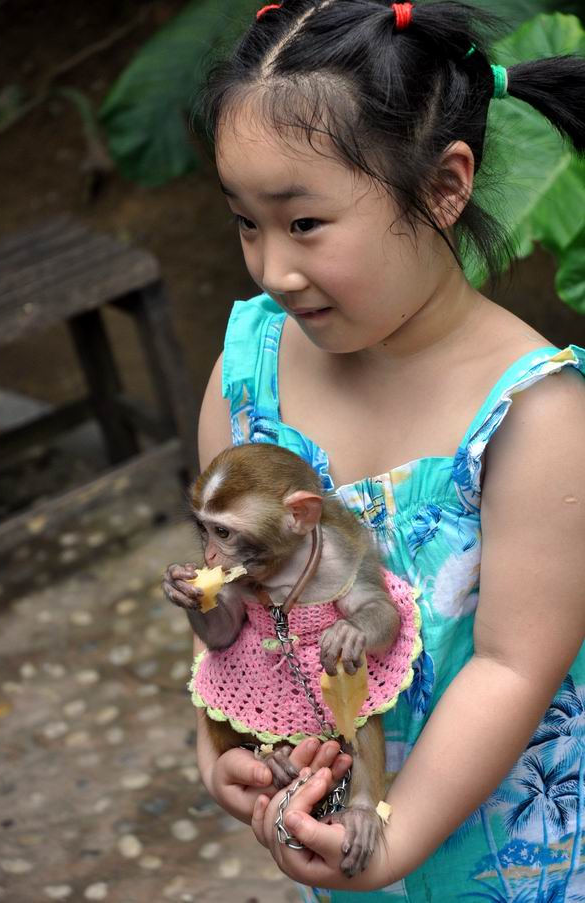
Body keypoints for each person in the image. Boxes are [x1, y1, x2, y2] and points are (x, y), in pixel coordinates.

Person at [188, 1, 585, 899]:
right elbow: (237, 602)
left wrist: (391, 838)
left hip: (515, 862)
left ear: (443, 187)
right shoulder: (249, 374)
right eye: (246, 222)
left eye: (304, 223)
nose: (271, 270)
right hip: (341, 844)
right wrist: (222, 750)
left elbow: (513, 664)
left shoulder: (535, 417)